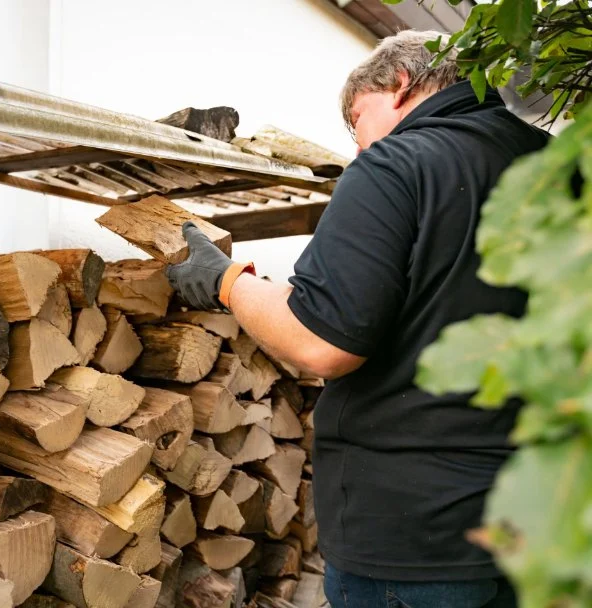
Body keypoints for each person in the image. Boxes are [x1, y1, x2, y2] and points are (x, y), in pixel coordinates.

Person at [166, 30, 550, 608]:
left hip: (417, 542)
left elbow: (323, 341)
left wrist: (227, 281)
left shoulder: (397, 163)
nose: (359, 144)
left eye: (356, 120)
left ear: (400, 84)